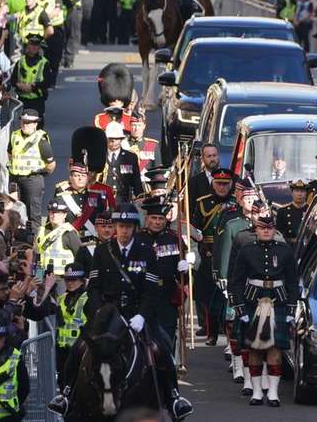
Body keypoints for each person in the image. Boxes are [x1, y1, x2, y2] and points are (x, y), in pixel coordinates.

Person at [76, 203, 191, 418]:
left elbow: (151, 290)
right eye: (120, 226)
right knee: (80, 347)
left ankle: (174, 397)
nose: (124, 231)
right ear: (115, 226)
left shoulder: (146, 251)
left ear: (135, 228)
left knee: (162, 347)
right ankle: (66, 395)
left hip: (137, 314)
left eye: (129, 226)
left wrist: (141, 316)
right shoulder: (102, 251)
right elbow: (93, 288)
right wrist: (101, 313)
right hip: (108, 316)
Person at [229, 214, 299, 407]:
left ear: (275, 230)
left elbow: (293, 282)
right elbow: (235, 282)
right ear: (256, 230)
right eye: (262, 228)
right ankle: (257, 391)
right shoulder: (246, 251)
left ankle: (274, 393)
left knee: (275, 348)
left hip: (279, 302)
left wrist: (292, 309)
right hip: (253, 302)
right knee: (254, 348)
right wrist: (240, 308)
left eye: (269, 228)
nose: (266, 231)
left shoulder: (285, 251)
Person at [191, 168, 236, 344]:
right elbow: (195, 228)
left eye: (226, 184)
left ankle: (229, 329)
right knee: (208, 295)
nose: (222, 188)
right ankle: (212, 333)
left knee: (229, 297)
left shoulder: (235, 203)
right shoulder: (203, 203)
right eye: (219, 184)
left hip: (230, 252)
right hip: (209, 253)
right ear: (213, 184)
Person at [139, 196, 187, 347]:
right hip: (143, 295)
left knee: (166, 339)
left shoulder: (174, 239)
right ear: (147, 219)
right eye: (154, 218)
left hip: (166, 296)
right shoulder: (138, 238)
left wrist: (186, 267)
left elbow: (185, 277)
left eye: (161, 218)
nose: (157, 222)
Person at [7, 109, 56, 234]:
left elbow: (51, 164)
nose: (25, 125)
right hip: (15, 178)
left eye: (29, 122)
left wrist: (40, 172)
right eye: (23, 122)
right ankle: (17, 237)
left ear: (35, 124)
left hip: (32, 180)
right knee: (14, 209)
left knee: (33, 213)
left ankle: (34, 241)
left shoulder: (41, 140)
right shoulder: (14, 135)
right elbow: (10, 153)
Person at [53, 263, 89, 389]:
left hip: (81, 350)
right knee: (63, 383)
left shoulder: (88, 298)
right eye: (68, 280)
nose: (70, 283)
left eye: (74, 280)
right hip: (62, 350)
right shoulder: (61, 299)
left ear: (82, 281)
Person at [10, 35, 53, 126]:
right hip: (22, 100)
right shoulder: (20, 62)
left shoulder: (44, 63)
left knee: (37, 126)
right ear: (27, 46)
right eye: (32, 44)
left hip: (37, 101)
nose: (34, 47)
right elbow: (13, 80)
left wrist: (34, 86)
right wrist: (19, 85)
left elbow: (48, 82)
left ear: (39, 47)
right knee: (24, 126)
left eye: (37, 45)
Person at [98, 121, 143, 203]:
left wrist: (140, 199)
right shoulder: (98, 156)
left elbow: (136, 183)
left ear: (122, 139)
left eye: (117, 138)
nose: (113, 141)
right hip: (102, 202)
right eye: (111, 138)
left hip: (124, 203)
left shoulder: (131, 157)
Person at [36, 197, 81, 279]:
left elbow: (80, 257)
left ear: (65, 215)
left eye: (59, 213)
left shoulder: (69, 233)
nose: (54, 215)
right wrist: (38, 277)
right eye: (52, 212)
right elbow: (38, 256)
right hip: (42, 277)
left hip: (62, 279)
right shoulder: (41, 231)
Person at [38, 0, 67, 86]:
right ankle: (43, 79)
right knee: (43, 55)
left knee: (55, 56)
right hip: (43, 29)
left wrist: (44, 18)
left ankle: (52, 81)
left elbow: (57, 10)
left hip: (56, 29)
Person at [73, 211, 114, 275]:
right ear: (96, 228)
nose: (107, 230)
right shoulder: (85, 250)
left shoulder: (120, 248)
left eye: (110, 226)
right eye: (103, 226)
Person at [187, 144, 220, 216]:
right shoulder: (194, 182)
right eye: (209, 156)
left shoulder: (231, 178)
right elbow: (190, 208)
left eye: (214, 155)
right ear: (202, 159)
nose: (212, 159)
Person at [275, 180, 309, 246]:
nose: (299, 194)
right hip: (288, 247)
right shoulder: (282, 211)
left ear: (306, 193)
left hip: (308, 248)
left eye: (302, 191)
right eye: (296, 191)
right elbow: (279, 234)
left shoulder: (312, 210)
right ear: (292, 193)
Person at [62, 0, 84, 68]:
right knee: (62, 34)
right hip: (62, 6)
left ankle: (69, 59)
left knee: (73, 34)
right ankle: (62, 58)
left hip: (74, 7)